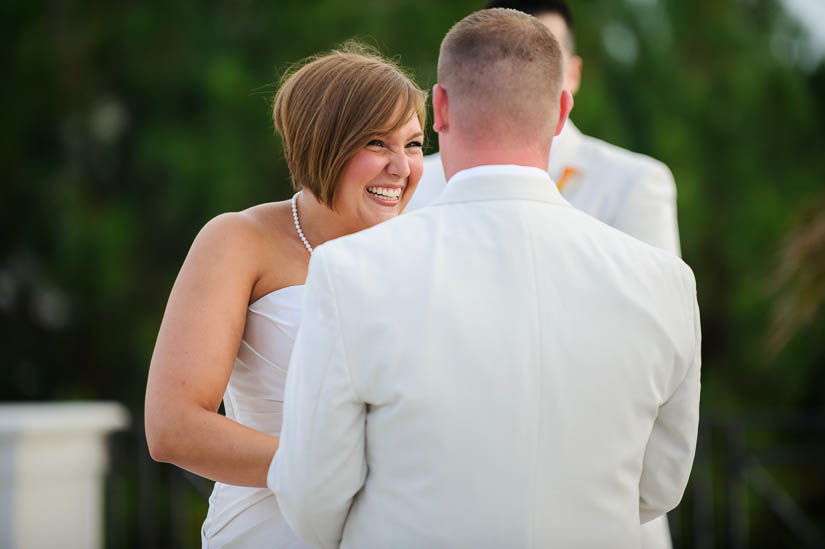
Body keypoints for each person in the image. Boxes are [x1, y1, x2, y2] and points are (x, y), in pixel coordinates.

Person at [269, 8, 701, 548]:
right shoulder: (666, 282)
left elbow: (312, 495)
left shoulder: (351, 268)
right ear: (562, 109)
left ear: (440, 107)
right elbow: (659, 487)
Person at [143, 43, 427, 548]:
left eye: (413, 144)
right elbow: (173, 427)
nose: (402, 168)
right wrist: (333, 472)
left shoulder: (426, 247)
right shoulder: (237, 240)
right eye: (379, 143)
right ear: (324, 142)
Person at [407, 0, 681, 259]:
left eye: (542, 54)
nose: (521, 71)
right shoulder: (415, 181)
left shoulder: (633, 183)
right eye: (503, 53)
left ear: (573, 73)